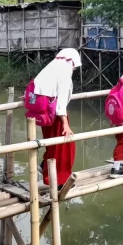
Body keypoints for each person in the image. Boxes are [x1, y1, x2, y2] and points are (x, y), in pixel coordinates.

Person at [31, 48, 81, 189]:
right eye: (74, 66)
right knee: (65, 148)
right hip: (57, 117)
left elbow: (34, 90)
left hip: (44, 114)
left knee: (52, 144)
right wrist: (65, 123)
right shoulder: (64, 73)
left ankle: (44, 166)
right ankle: (60, 181)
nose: (74, 69)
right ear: (70, 61)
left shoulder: (49, 70)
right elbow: (61, 102)